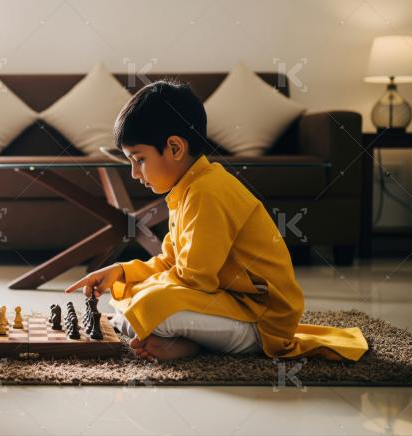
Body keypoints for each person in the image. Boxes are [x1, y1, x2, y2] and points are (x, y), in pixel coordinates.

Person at [66, 80, 367, 362]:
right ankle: (184, 339)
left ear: (174, 148)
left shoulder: (207, 191)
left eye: (139, 160)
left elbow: (196, 279)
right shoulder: (187, 188)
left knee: (145, 306)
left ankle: (187, 341)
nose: (134, 174)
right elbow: (172, 262)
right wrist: (120, 272)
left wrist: (144, 293)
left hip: (260, 321)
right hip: (228, 305)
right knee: (133, 299)